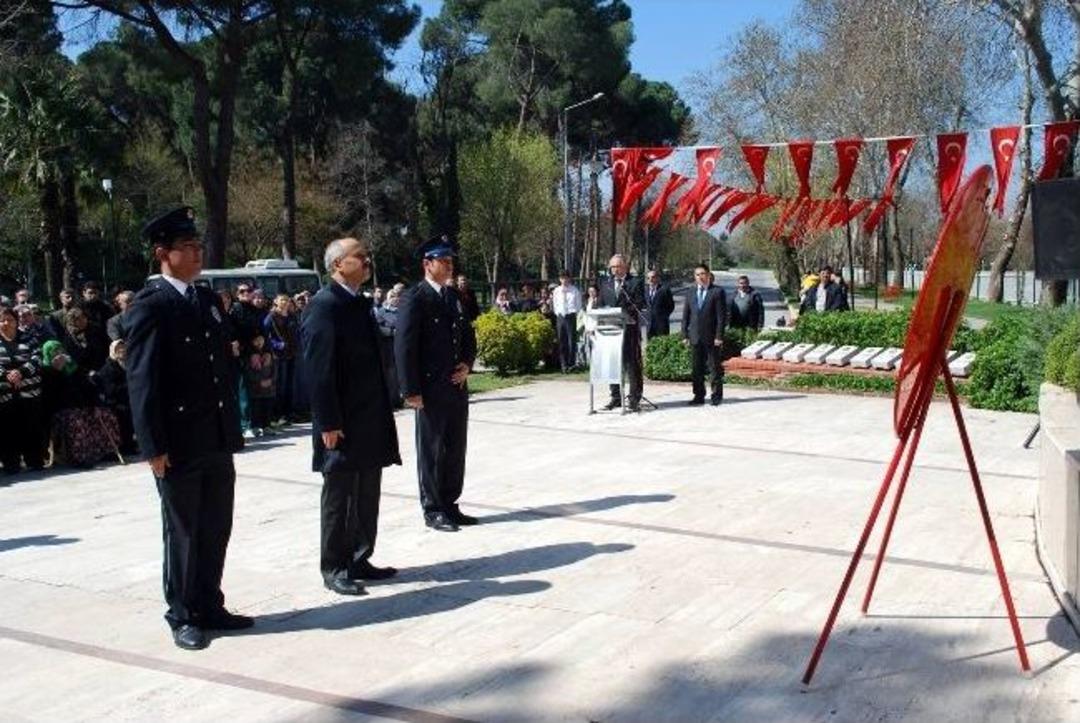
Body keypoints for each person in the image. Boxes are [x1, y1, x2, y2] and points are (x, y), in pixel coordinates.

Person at [125, 206, 251, 651]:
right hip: (177, 442)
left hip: (214, 435)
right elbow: (142, 381)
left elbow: (221, 369)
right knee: (182, 530)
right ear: (163, 253)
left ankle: (208, 602)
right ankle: (181, 613)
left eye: (199, 246)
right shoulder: (151, 306)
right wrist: (152, 446)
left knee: (216, 524)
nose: (198, 253)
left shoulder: (205, 300)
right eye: (188, 247)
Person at [303, 237, 401, 595]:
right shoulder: (324, 306)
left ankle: (360, 556)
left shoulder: (358, 303)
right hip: (341, 422)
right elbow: (318, 371)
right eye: (358, 256)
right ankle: (335, 566)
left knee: (366, 494)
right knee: (340, 496)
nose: (366, 259)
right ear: (337, 266)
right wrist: (328, 421)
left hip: (368, 418)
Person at [395, 234, 477, 532]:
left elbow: (468, 336)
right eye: (444, 261)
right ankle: (432, 508)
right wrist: (411, 390)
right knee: (431, 449)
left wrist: (468, 364)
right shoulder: (415, 298)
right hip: (429, 389)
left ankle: (450, 503)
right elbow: (404, 347)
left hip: (456, 386)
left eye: (451, 261)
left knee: (455, 448)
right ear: (427, 264)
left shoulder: (452, 296)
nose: (450, 265)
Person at [0, 305, 45, 474]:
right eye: (2, 320)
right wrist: (7, 376)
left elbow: (37, 358)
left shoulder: (28, 337)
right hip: (4, 394)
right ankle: (11, 464)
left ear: (15, 321)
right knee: (7, 430)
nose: (6, 323)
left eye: (9, 319)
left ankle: (34, 461)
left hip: (30, 391)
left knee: (32, 428)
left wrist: (21, 372)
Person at [599, 254, 646, 412]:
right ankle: (616, 397)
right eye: (612, 267)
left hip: (629, 330)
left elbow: (640, 303)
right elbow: (601, 304)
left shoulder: (635, 282)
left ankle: (634, 398)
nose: (615, 270)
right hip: (611, 331)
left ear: (625, 266)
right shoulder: (605, 284)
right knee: (614, 365)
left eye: (618, 266)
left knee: (632, 365)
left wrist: (623, 312)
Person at [682, 263, 727, 406]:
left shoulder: (717, 292)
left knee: (714, 368)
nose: (700, 277)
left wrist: (719, 336)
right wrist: (684, 335)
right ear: (694, 277)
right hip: (695, 336)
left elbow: (721, 317)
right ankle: (698, 396)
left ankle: (716, 396)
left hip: (711, 337)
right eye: (697, 274)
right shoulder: (690, 292)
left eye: (703, 274)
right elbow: (685, 316)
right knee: (697, 369)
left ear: (708, 275)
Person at [93, 339, 137, 456]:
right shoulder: (109, 368)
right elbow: (110, 390)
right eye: (118, 349)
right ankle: (126, 446)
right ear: (113, 351)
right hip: (114, 402)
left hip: (128, 398)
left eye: (123, 347)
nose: (122, 350)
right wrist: (129, 386)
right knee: (125, 412)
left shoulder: (128, 364)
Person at [375, 287, 402, 408]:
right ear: (387, 299)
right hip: (388, 346)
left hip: (401, 345)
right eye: (392, 296)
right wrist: (393, 332)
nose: (394, 299)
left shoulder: (403, 311)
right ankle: (392, 400)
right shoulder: (381, 312)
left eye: (396, 296)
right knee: (391, 374)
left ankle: (401, 398)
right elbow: (379, 328)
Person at [243, 333, 275, 437]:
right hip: (255, 388)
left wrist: (271, 380)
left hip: (268, 388)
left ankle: (267, 426)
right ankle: (254, 427)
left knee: (267, 407)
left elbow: (275, 369)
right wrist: (259, 381)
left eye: (261, 340)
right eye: (256, 340)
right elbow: (248, 372)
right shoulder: (249, 355)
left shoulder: (268, 354)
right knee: (255, 408)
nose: (259, 342)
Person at [552, 270, 582, 372]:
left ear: (569, 278)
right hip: (560, 316)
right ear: (560, 279)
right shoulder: (556, 291)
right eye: (562, 278)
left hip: (570, 316)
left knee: (571, 341)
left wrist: (572, 313)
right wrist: (559, 313)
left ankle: (571, 364)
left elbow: (578, 305)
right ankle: (563, 364)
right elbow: (555, 304)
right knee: (561, 340)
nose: (564, 280)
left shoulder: (574, 290)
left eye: (566, 278)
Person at [643, 269, 675, 339]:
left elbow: (671, 306)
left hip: (661, 325)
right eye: (648, 278)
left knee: (662, 345)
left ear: (657, 278)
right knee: (650, 345)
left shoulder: (664, 290)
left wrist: (664, 316)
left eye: (653, 277)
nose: (650, 279)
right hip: (649, 325)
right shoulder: (645, 290)